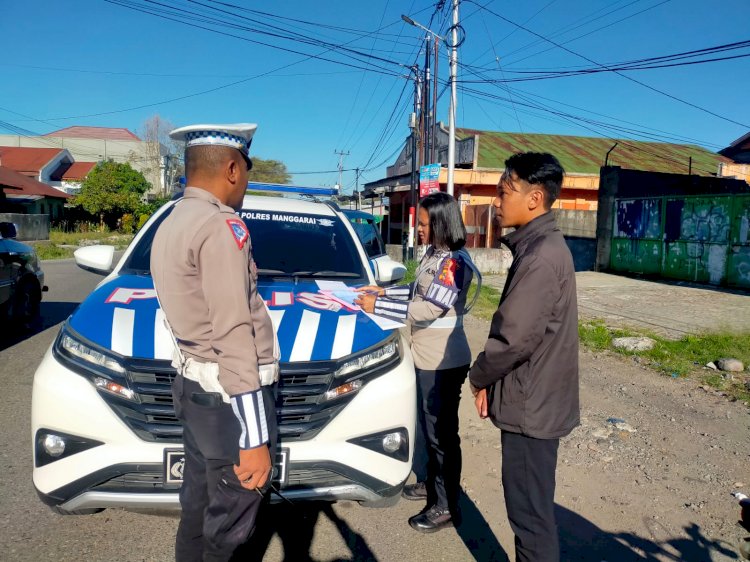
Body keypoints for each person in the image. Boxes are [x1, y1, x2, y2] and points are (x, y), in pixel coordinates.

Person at [150, 124, 279, 562]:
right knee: (231, 530)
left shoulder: (172, 222)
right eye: (245, 168)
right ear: (230, 168)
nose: (245, 180)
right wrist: (255, 436)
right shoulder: (222, 226)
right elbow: (232, 332)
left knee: (199, 509)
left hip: (195, 390)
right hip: (229, 403)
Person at [469, 152, 580, 562]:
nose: (497, 201)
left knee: (530, 518)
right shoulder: (541, 247)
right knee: (531, 511)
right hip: (534, 399)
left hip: (533, 409)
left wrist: (479, 377)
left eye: (504, 192)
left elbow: (512, 340)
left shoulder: (540, 256)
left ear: (535, 199)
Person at [356, 192, 480, 533]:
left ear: (441, 224)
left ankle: (445, 506)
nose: (418, 229)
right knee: (429, 428)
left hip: (443, 362)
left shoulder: (454, 263)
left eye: (424, 224)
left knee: (441, 435)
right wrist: (384, 292)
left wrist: (377, 307)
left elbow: (429, 308)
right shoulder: (435, 256)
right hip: (426, 356)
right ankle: (431, 484)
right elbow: (417, 291)